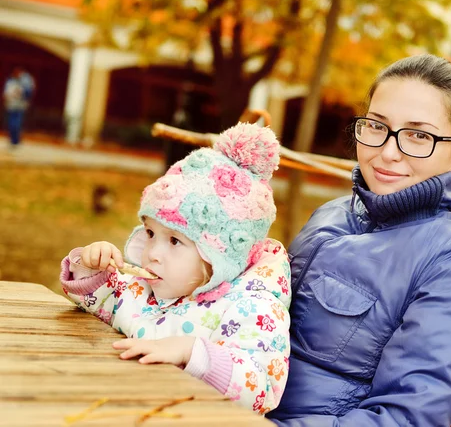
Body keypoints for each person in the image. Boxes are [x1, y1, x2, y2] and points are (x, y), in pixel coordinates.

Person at [262, 54, 451, 426]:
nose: (388, 152)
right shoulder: (334, 213)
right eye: (377, 126)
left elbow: (404, 417)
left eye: (418, 136)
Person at [59, 122, 292, 414]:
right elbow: (101, 299)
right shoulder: (144, 288)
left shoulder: (253, 309)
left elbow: (261, 388)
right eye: (150, 233)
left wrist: (192, 352)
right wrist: (91, 268)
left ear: (217, 257)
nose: (153, 253)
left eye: (174, 241)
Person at [3, 67, 35, 148]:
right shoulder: (12, 81)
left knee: (16, 123)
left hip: (19, 105)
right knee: (13, 123)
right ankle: (13, 140)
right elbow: (7, 93)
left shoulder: (25, 80)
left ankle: (15, 140)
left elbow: (28, 93)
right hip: (12, 105)